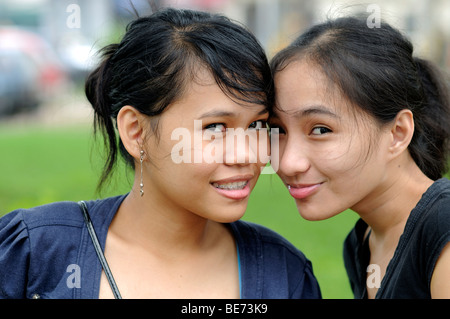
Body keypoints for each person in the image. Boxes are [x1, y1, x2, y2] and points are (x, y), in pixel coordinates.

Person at [0, 8, 321, 299]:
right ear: (136, 132)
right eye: (216, 127)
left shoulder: (284, 277)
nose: (246, 155)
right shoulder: (33, 254)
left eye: (256, 126)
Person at [269, 15, 450, 298]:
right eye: (277, 129)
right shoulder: (362, 241)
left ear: (397, 133)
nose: (288, 162)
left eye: (320, 129)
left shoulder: (443, 225)